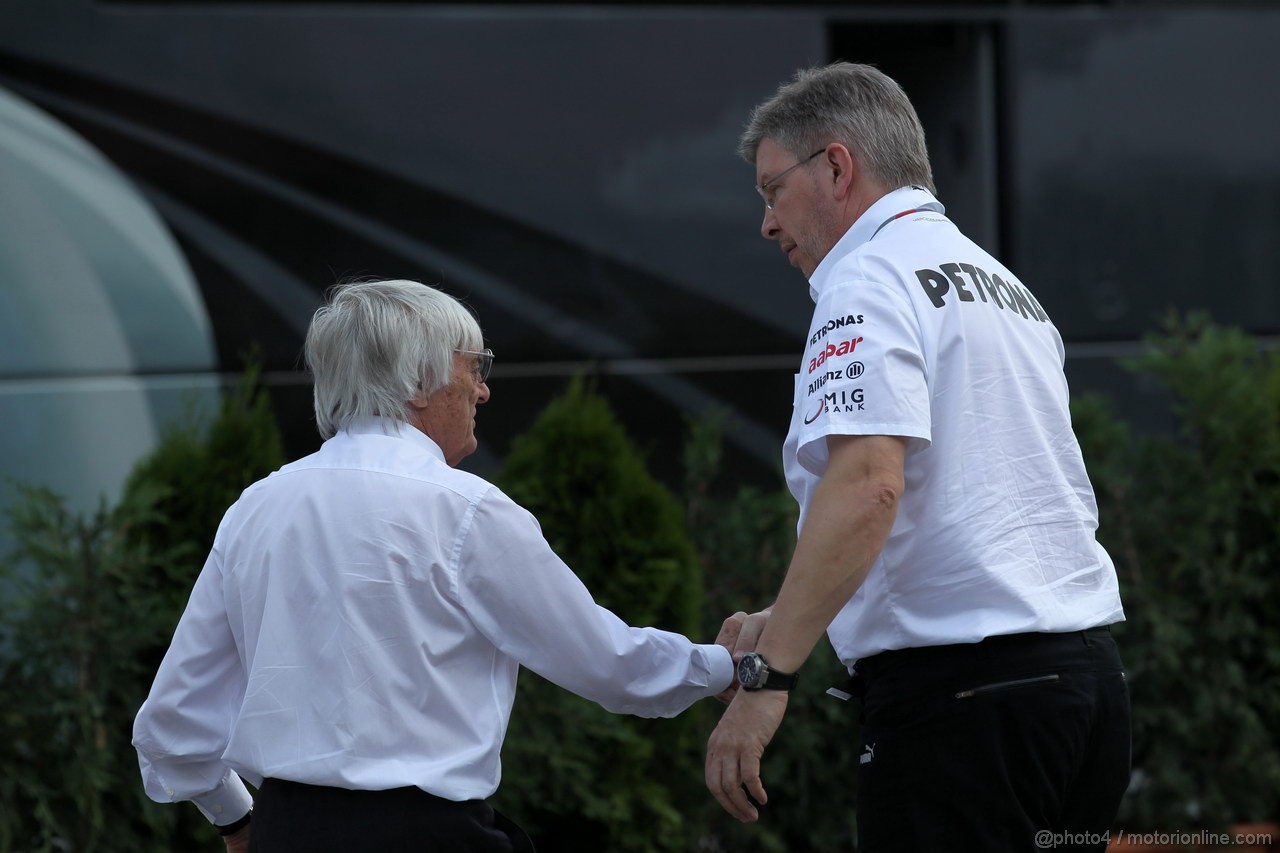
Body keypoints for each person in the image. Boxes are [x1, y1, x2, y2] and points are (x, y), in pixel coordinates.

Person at [133, 279, 737, 853]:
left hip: (287, 832)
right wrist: (728, 668)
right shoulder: (465, 509)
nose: (483, 389)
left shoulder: (255, 508)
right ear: (418, 384)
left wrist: (236, 819)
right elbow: (609, 663)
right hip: (426, 835)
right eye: (474, 366)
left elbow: (173, 722)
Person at [704, 63, 1130, 852]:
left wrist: (768, 678)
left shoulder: (863, 278)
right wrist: (798, 609)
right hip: (1084, 690)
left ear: (836, 167)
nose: (767, 222)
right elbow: (962, 511)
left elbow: (869, 486)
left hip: (964, 704)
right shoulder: (1002, 284)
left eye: (772, 190)